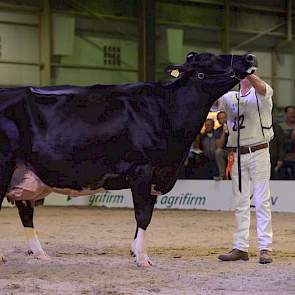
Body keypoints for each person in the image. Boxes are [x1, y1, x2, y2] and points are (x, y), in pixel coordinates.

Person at [217, 73, 274, 264]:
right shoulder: (230, 97)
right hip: (237, 154)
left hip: (259, 151)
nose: (245, 76)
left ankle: (265, 247)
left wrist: (248, 71)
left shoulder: (261, 93)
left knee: (261, 201)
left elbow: (261, 88)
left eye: (249, 72)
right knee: (241, 202)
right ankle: (241, 247)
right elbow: (213, 102)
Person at [278, 106, 295, 179]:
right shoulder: (280, 126)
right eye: (290, 113)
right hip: (284, 158)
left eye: (293, 113)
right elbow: (279, 143)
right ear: (285, 114)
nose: (292, 115)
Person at [214, 111, 229, 180]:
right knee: (218, 152)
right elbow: (219, 145)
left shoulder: (235, 127)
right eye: (221, 118)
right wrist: (223, 132)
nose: (224, 120)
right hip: (226, 151)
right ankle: (222, 175)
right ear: (218, 120)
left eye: (225, 118)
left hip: (236, 151)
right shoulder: (218, 130)